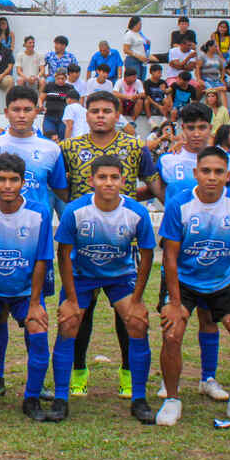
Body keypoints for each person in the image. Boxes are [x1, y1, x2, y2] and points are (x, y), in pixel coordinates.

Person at [59, 91, 160, 399]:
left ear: (118, 114)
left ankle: (128, 373)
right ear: (85, 115)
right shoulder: (69, 148)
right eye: (94, 111)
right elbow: (57, 184)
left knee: (126, 315)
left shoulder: (134, 146)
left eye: (106, 110)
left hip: (121, 243)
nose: (100, 115)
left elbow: (152, 180)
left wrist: (155, 204)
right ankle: (78, 370)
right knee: (80, 314)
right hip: (82, 239)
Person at [156, 147, 230, 426]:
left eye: (218, 172)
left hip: (223, 281)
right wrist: (175, 303)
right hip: (184, 282)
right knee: (172, 335)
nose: (212, 177)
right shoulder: (179, 204)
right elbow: (170, 256)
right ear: (196, 174)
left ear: (228, 175)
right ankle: (172, 400)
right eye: (206, 171)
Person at [0, 89, 66, 397]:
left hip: (33, 243)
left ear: (37, 110)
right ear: (6, 111)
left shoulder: (50, 149)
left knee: (33, 314)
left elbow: (61, 190)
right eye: (16, 109)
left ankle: (34, 387)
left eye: (28, 109)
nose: (22, 114)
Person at [51, 155, 157, 424]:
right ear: (91, 181)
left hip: (119, 276)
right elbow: (63, 255)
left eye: (114, 177)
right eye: (102, 177)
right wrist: (71, 299)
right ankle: (61, 399)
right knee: (68, 321)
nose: (108, 183)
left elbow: (146, 257)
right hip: (81, 275)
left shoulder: (136, 212)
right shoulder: (75, 211)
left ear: (123, 181)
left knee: (137, 322)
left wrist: (137, 300)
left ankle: (139, 398)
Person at [152, 102, 230, 403]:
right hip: (178, 255)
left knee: (209, 319)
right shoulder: (168, 162)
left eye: (202, 127)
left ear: (211, 128)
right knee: (172, 319)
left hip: (214, 254)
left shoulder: (227, 162)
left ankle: (208, 377)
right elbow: (159, 191)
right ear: (181, 129)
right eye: (190, 128)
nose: (196, 134)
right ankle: (169, 380)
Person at [0, 152, 53, 421]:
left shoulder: (39, 213)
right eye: (1, 179)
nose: (7, 186)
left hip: (25, 291)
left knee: (37, 328)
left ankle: (32, 398)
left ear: (23, 182)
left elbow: (42, 259)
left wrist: (36, 303)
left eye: (13, 180)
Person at [39, 69, 73, 139]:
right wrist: (41, 106)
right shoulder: (49, 86)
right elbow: (41, 98)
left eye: (62, 79)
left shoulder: (70, 88)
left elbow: (73, 102)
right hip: (49, 117)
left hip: (63, 119)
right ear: (55, 78)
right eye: (58, 78)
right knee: (48, 137)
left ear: (66, 78)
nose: (60, 80)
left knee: (62, 138)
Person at [122, 15, 152, 82]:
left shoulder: (139, 33)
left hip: (142, 60)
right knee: (134, 80)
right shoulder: (129, 34)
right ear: (134, 24)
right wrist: (138, 56)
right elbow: (126, 50)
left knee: (142, 80)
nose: (141, 26)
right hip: (133, 60)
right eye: (139, 24)